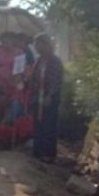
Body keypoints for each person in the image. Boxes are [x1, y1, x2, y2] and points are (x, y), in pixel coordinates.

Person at [29, 33, 63, 163]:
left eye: (39, 44)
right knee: (38, 124)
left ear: (46, 45)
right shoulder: (39, 60)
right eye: (35, 44)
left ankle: (48, 154)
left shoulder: (55, 61)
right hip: (38, 97)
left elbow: (56, 81)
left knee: (49, 125)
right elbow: (34, 78)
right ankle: (38, 151)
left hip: (50, 99)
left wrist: (50, 95)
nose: (36, 47)